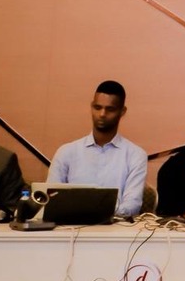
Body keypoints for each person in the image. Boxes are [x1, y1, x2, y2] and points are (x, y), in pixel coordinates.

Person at [47, 81, 148, 218]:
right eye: (97, 107)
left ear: (122, 111)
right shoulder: (66, 152)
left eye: (110, 109)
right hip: (69, 227)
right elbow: (51, 199)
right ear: (91, 107)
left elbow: (132, 205)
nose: (102, 114)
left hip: (116, 228)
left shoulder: (135, 155)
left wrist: (91, 211)